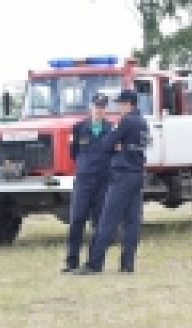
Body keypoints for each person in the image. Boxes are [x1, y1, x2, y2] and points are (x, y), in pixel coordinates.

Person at [75, 89, 149, 275]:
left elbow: (107, 143)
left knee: (107, 220)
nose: (118, 107)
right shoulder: (142, 122)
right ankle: (127, 264)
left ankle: (94, 264)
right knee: (132, 221)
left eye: (121, 104)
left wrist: (117, 144)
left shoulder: (126, 121)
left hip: (122, 175)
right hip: (137, 174)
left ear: (128, 104)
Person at [62, 93, 113, 273]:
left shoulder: (111, 129)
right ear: (90, 107)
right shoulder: (78, 128)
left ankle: (94, 262)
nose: (99, 109)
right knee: (77, 220)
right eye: (96, 106)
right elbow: (73, 152)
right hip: (83, 180)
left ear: (105, 109)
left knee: (99, 222)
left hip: (103, 181)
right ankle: (71, 261)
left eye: (102, 106)